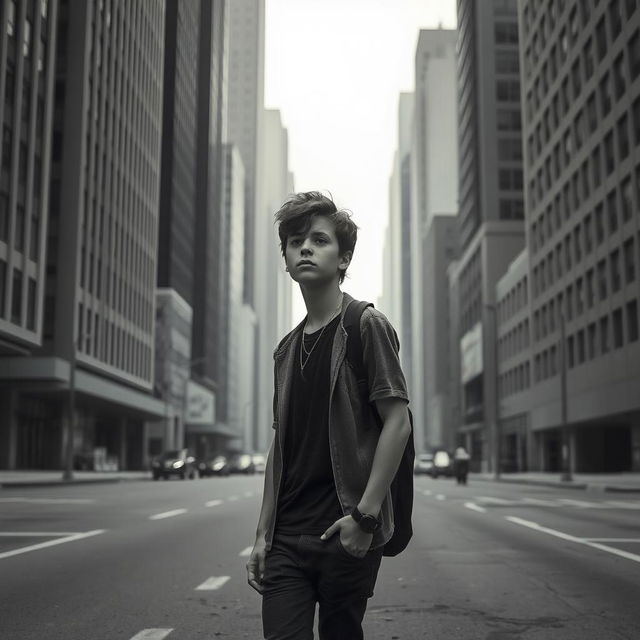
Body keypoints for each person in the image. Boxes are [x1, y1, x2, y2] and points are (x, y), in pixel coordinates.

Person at [246, 191, 412, 640]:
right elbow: (280, 446)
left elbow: (398, 423)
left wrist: (365, 519)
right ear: (285, 259)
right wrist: (263, 535)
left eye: (319, 240)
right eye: (295, 241)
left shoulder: (365, 326)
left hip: (344, 529)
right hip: (287, 538)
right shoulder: (285, 349)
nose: (305, 247)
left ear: (343, 259)